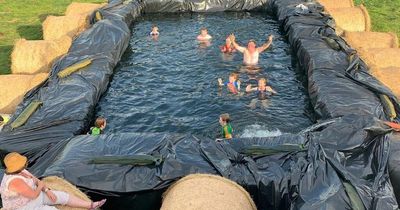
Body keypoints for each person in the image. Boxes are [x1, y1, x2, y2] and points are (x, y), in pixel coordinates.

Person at [0, 152, 106, 210]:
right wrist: (41, 186)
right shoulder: (14, 182)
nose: (25, 163)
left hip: (35, 197)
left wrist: (47, 190)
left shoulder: (21, 170)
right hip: (24, 207)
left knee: (62, 196)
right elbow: (33, 195)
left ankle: (90, 205)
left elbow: (36, 180)